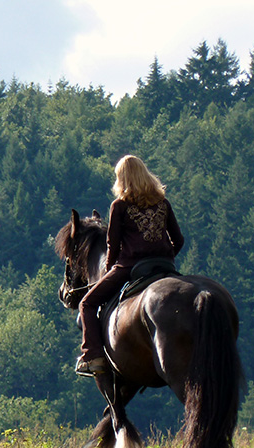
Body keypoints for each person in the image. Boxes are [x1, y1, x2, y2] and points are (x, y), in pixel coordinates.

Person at [75, 155, 184, 376]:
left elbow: (112, 245)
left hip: (131, 266)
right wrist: (166, 256)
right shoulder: (162, 203)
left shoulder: (120, 206)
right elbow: (178, 239)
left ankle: (92, 356)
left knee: (86, 303)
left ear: (122, 179)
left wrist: (109, 267)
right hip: (164, 265)